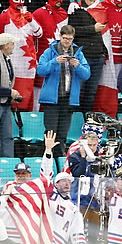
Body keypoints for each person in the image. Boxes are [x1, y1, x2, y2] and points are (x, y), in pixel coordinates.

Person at [37, 24, 91, 157]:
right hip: (52, 100)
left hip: (69, 100)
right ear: (60, 36)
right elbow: (40, 70)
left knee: (63, 134)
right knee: (51, 133)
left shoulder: (78, 53)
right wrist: (54, 62)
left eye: (70, 39)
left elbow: (86, 74)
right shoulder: (50, 51)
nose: (67, 41)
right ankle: (47, 158)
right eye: (65, 38)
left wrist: (77, 65)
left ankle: (60, 160)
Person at [0, 0, 43, 112]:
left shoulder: (28, 16)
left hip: (28, 62)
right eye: (17, 0)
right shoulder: (3, 17)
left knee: (26, 96)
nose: (20, 3)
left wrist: (31, 20)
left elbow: (39, 33)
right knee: (10, 92)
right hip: (11, 60)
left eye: (22, 0)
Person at [93, 0, 122, 118]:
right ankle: (98, 112)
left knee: (114, 86)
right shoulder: (104, 6)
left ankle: (112, 113)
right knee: (102, 85)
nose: (120, 2)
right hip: (105, 54)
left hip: (119, 55)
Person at [68, 0, 107, 113]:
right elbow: (72, 31)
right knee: (78, 89)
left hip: (98, 56)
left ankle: (87, 120)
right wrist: (92, 29)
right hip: (83, 57)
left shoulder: (101, 9)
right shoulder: (76, 8)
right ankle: (73, 119)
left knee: (91, 92)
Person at [32, 0, 69, 111]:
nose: (58, 0)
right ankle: (34, 114)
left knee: (55, 86)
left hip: (59, 57)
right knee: (38, 87)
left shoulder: (64, 14)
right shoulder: (38, 13)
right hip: (42, 55)